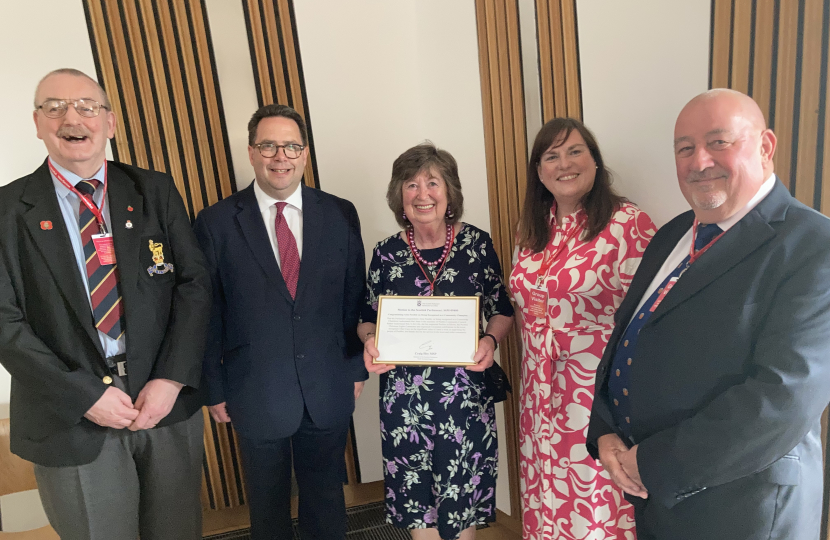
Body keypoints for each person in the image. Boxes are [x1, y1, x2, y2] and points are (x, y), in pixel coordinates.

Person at [587, 88, 830, 540]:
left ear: (765, 146)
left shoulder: (814, 246)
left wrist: (652, 463)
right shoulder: (674, 233)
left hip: (742, 507)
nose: (699, 161)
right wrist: (604, 429)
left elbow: (783, 398)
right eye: (685, 148)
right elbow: (631, 335)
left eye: (719, 142)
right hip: (656, 496)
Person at [0, 68, 211, 539]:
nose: (71, 117)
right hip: (70, 417)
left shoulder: (153, 190)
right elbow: (4, 323)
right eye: (54, 107)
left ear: (109, 123)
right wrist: (85, 395)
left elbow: (194, 285)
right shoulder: (7, 210)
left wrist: (172, 377)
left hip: (162, 405)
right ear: (37, 122)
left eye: (86, 106)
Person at [193, 103, 367, 540]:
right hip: (253, 388)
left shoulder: (340, 214)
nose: (280, 156)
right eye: (268, 145)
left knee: (326, 500)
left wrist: (356, 367)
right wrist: (212, 387)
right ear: (251, 152)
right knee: (267, 509)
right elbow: (207, 311)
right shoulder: (215, 223)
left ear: (305, 154)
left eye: (291, 146)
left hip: (328, 383)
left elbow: (355, 297)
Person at [358, 142, 514, 540]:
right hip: (404, 402)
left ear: (450, 193)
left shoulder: (477, 246)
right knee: (417, 508)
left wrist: (490, 342)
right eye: (411, 185)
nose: (422, 194)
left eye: (432, 182)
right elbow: (366, 317)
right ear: (399, 195)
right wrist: (372, 340)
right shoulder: (386, 254)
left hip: (462, 399)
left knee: (460, 507)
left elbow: (502, 309)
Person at [509, 118, 656, 540]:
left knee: (592, 499)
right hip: (539, 393)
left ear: (595, 161)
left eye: (575, 151)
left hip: (595, 395)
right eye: (551, 156)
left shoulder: (628, 225)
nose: (564, 164)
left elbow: (649, 322)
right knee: (545, 495)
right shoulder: (533, 229)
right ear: (539, 172)